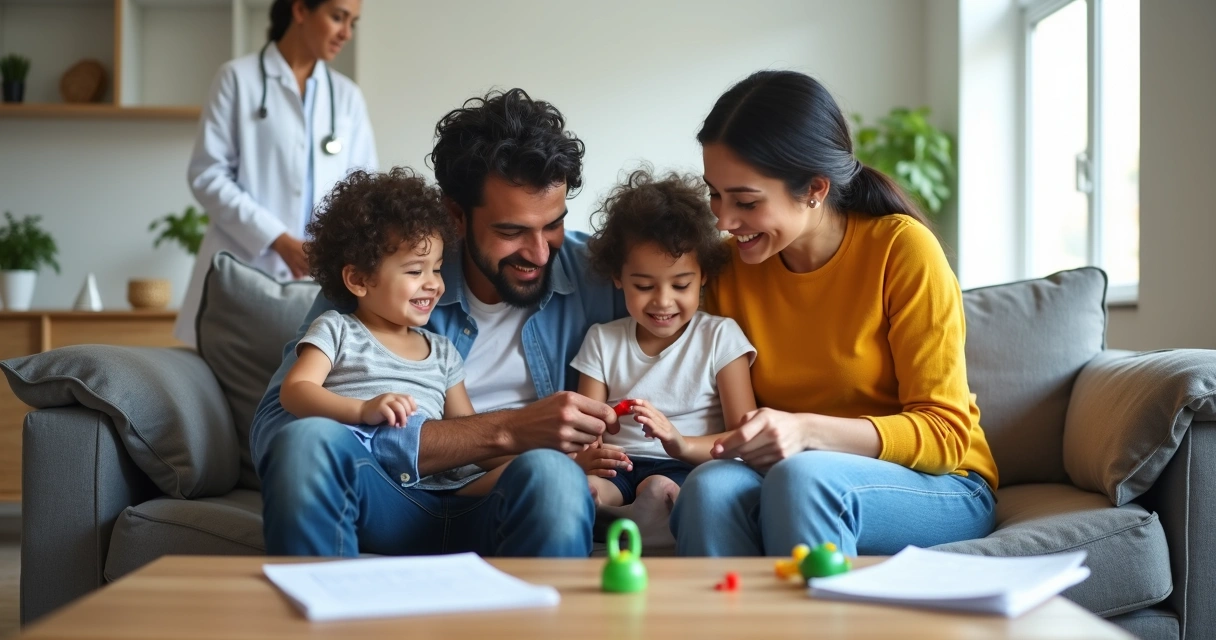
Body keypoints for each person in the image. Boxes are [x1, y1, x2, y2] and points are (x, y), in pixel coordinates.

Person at [252, 88, 629, 557]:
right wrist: (508, 428)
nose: (539, 253)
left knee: (555, 474)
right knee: (308, 440)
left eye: (552, 224)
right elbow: (278, 432)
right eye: (511, 231)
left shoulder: (603, 275)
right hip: (384, 497)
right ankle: (325, 619)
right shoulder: (382, 269)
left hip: (497, 499)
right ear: (456, 216)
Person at [671, 70, 1000, 557]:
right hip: (791, 475)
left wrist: (806, 431)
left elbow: (945, 433)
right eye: (714, 194)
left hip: (939, 482)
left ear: (815, 189)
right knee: (709, 489)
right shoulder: (727, 270)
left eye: (745, 201)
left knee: (805, 479)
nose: (723, 220)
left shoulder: (901, 250)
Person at [279, 168, 511, 497]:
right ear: (358, 280)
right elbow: (295, 390)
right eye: (416, 270)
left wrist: (546, 459)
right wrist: (361, 411)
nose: (433, 283)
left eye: (437, 268)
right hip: (369, 483)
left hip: (440, 493)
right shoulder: (337, 330)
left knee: (540, 472)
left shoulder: (443, 352)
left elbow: (471, 436)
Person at [178, 0, 377, 346]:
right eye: (337, 17)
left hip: (321, 279)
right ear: (300, 10)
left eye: (353, 23)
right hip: (243, 268)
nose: (345, 33)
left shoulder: (346, 97)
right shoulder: (237, 79)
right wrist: (279, 240)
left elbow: (364, 191)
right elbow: (207, 175)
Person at [570, 170, 757, 525]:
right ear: (618, 278)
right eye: (643, 286)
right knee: (588, 490)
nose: (663, 302)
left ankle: (643, 514)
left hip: (689, 463)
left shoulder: (720, 337)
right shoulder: (603, 339)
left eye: (681, 285)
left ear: (703, 276)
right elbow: (588, 430)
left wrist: (679, 442)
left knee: (659, 486)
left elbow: (741, 436)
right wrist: (586, 459)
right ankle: (616, 513)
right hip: (620, 466)